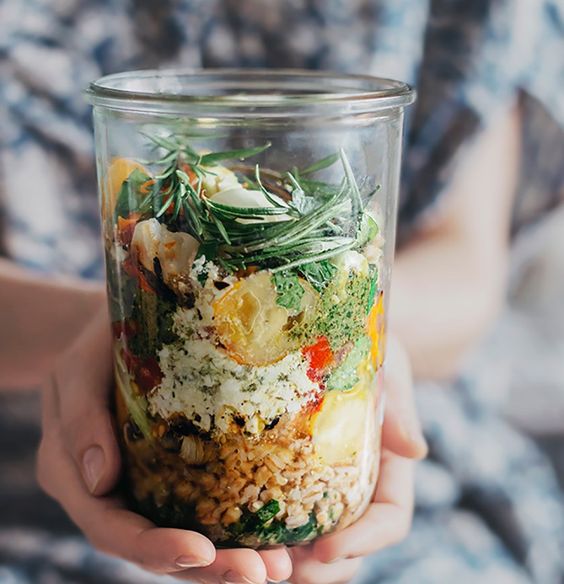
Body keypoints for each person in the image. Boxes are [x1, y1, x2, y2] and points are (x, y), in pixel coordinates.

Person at [1, 0, 563, 583]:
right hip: (31, 490)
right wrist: (107, 328)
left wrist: (363, 342)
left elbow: (465, 267)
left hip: (411, 492)